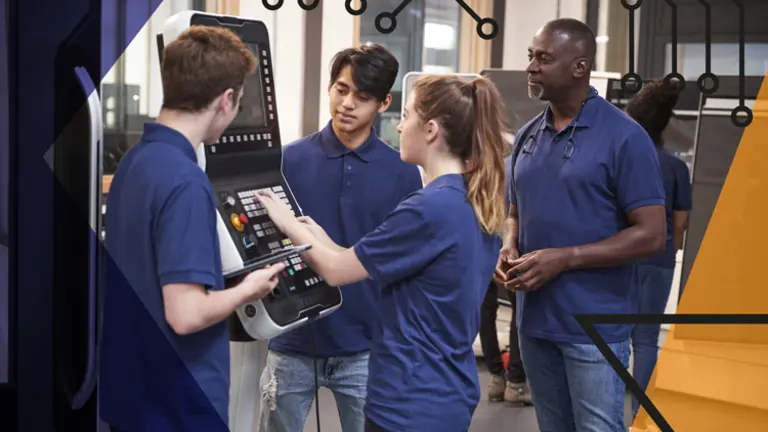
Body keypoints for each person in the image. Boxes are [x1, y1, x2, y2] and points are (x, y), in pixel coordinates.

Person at [256, 74, 510, 432]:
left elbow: (336, 271)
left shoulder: (428, 209)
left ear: (432, 130)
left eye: (406, 116)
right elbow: (356, 257)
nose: (401, 126)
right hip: (444, 390)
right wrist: (317, 234)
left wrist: (285, 221)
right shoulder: (469, 199)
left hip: (410, 398)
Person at [98, 26, 285, 432]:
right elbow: (185, 314)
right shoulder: (184, 181)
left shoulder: (134, 162)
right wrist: (250, 288)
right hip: (179, 404)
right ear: (227, 100)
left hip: (134, 392)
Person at [494, 18, 667, 432]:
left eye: (544, 58)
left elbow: (652, 234)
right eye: (531, 56)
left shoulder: (625, 137)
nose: (532, 67)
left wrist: (565, 258)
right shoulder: (527, 137)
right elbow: (514, 211)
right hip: (533, 322)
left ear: (579, 67)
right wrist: (508, 245)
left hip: (595, 326)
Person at [258, 44, 423, 432]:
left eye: (362, 97)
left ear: (383, 103)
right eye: (340, 89)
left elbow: (402, 265)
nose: (347, 104)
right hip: (292, 339)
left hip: (367, 348)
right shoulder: (286, 160)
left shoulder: (402, 173)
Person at [624, 78, 692, 422]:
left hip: (620, 256)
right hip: (659, 257)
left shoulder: (621, 158)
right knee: (647, 340)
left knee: (614, 333)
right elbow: (679, 222)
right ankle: (639, 413)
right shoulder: (676, 167)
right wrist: (670, 251)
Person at [479, 154, 532, 405]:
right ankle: (516, 384)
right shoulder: (521, 165)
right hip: (510, 248)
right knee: (518, 314)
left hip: (481, 244)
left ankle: (496, 379)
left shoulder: (485, 165)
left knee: (485, 313)